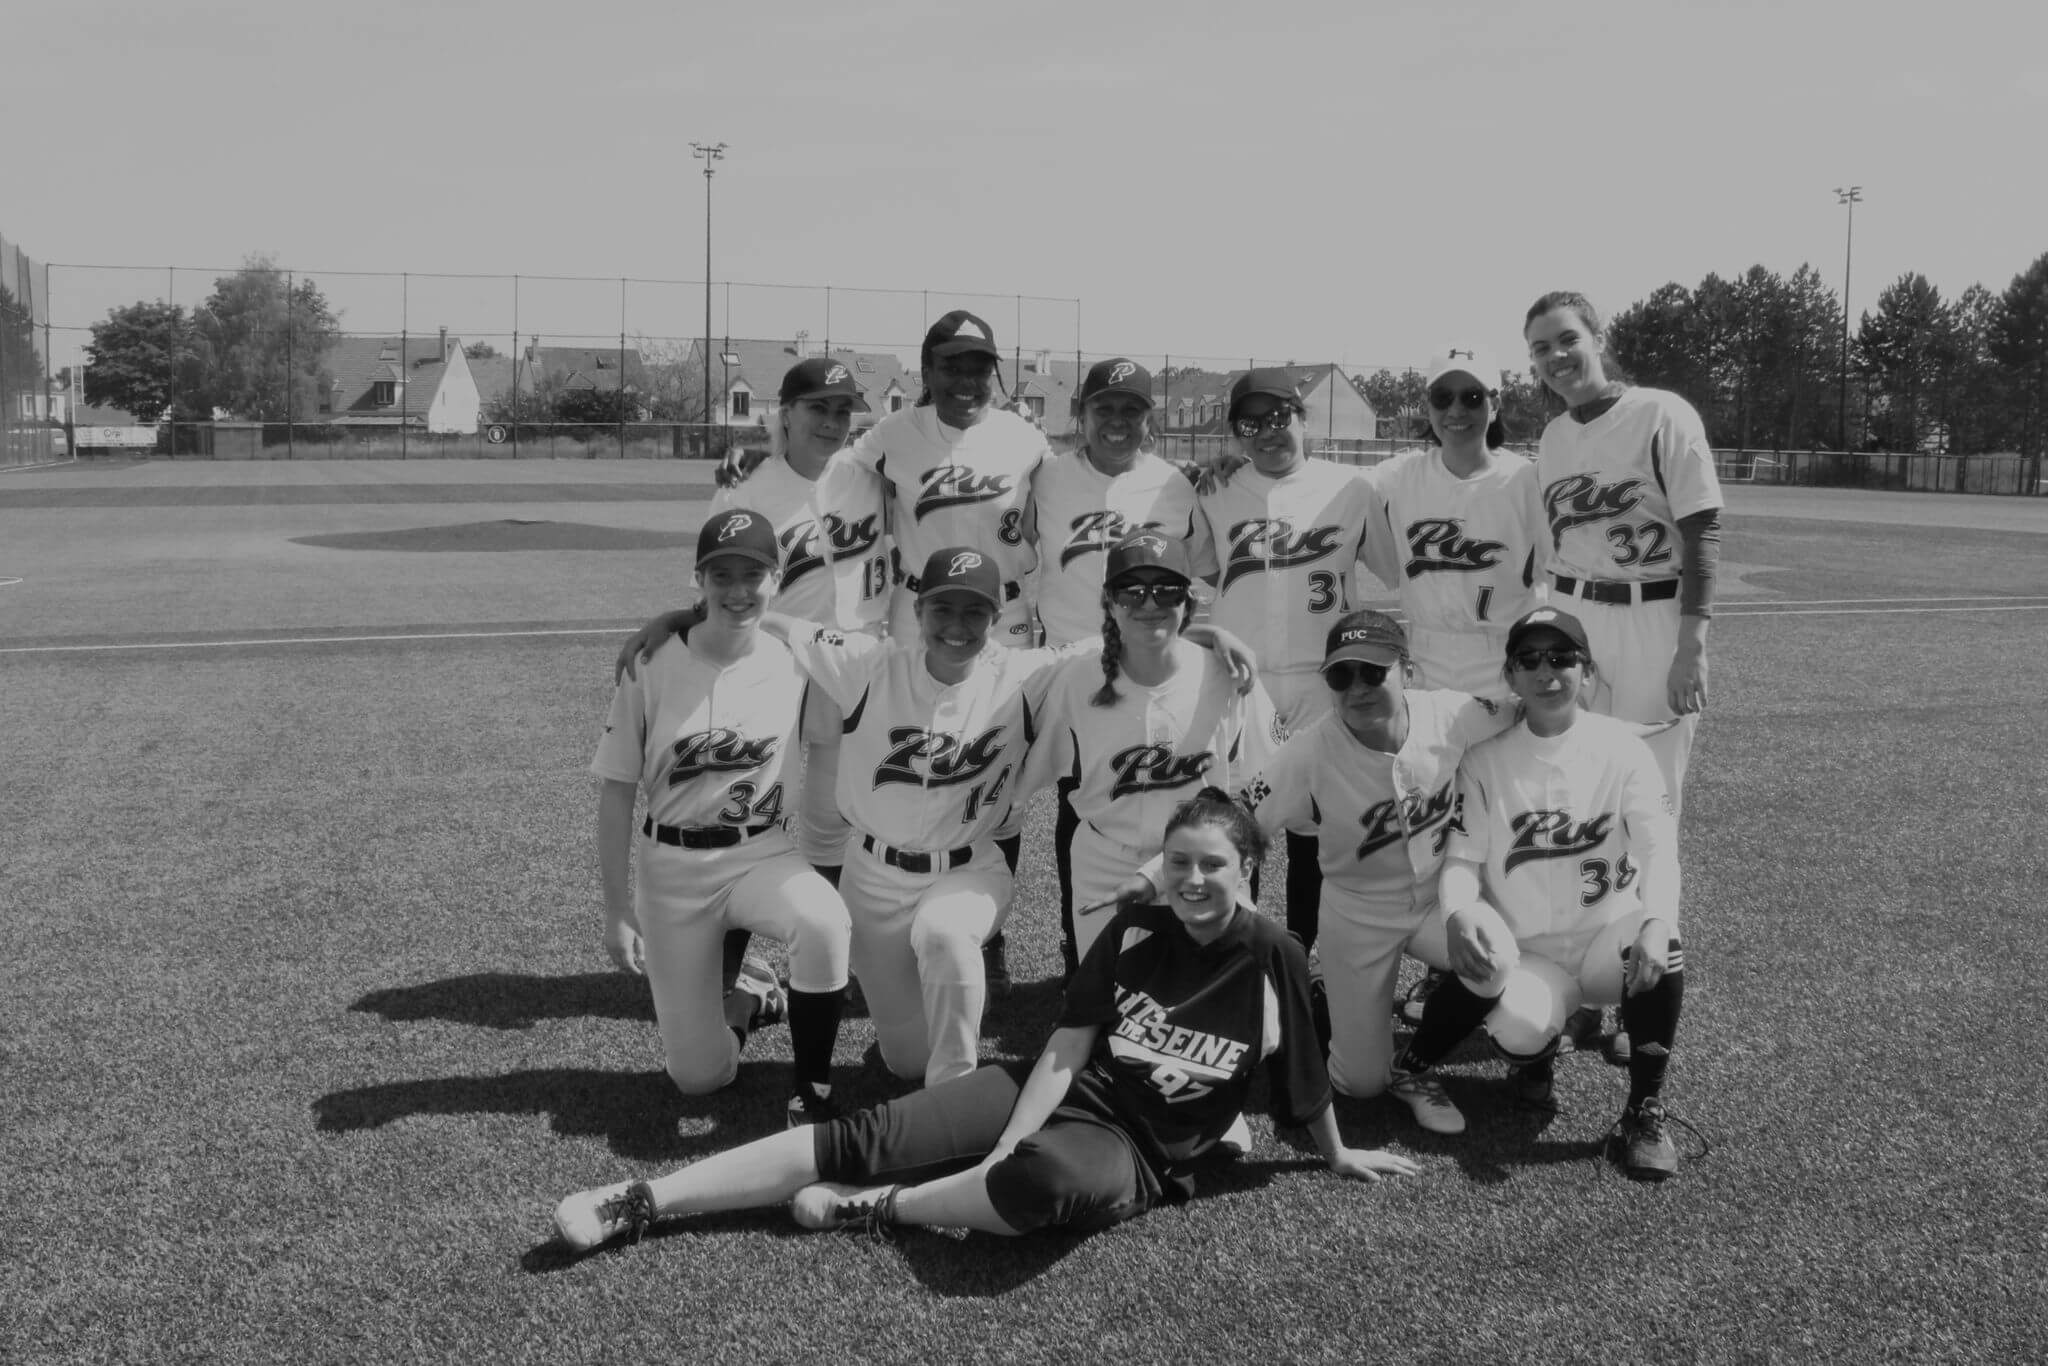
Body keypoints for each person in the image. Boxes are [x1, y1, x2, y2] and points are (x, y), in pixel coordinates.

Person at [552, 788, 1418, 1254]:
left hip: (1142, 1150)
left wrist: (1337, 1153)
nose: (1194, 880)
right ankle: (644, 1201)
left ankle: (882, 1209)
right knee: (867, 1132)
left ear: (1251, 868)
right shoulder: (1135, 927)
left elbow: (1302, 1073)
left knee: (1039, 1186)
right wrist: (1009, 1132)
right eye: (1179, 862)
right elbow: (1068, 1045)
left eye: (1214, 865)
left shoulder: (1274, 949)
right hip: (1071, 1090)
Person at [749, 546, 1253, 1090]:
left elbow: (1140, 631)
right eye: (944, 609)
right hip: (870, 876)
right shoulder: (868, 665)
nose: (958, 626)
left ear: (996, 619)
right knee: (904, 1063)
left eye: (975, 612)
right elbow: (775, 624)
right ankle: (922, 1046)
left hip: (969, 870)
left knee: (944, 934)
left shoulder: (1022, 675)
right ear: (918, 611)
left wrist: (1210, 635)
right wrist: (688, 619)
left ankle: (953, 1093)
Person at [1114, 611, 1512, 1118]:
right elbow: (1234, 818)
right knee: (1359, 1085)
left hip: (1439, 899)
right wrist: (1152, 875)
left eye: (1373, 672)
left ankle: (1414, 1065)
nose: (1357, 688)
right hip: (1357, 911)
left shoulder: (1455, 714)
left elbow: (1533, 714)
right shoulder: (1309, 750)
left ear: (1406, 670)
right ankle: (1325, 995)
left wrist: (1632, 745)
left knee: (1496, 961)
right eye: (1341, 676)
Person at [1389, 607, 1689, 1180]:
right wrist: (1456, 913)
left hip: (1606, 948)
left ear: (1587, 669)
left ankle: (1643, 1112)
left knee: (1664, 937)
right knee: (1519, 1029)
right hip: (1532, 954)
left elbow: (1658, 852)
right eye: (1529, 660)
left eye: (1561, 658)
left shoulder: (1623, 749)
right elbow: (1461, 860)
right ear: (1510, 675)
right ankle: (1536, 1057)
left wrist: (1657, 921)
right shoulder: (1486, 759)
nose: (1546, 671)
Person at [590, 509, 852, 1124]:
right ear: (698, 580)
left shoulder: (796, 662)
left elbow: (837, 743)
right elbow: (617, 789)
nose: (737, 590)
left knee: (825, 921)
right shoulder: (650, 665)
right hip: (673, 868)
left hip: (760, 852)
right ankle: (751, 999)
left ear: (776, 576)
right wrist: (615, 907)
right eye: (721, 575)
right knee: (697, 1079)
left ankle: (813, 1091)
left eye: (753, 574)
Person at [1019, 529, 1279, 972]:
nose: (1149, 603)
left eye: (1167, 590)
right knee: (1109, 1003)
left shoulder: (1228, 674)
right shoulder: (1073, 676)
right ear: (1109, 601)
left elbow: (1264, 786)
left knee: (1228, 1006)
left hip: (1208, 861)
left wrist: (1211, 635)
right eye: (1131, 591)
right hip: (1106, 859)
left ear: (1187, 601)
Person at [1024, 358, 1211, 965]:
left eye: (1132, 409)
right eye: (1104, 408)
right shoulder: (1045, 479)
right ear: (1081, 415)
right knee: (1078, 801)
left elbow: (1201, 572)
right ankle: (1078, 941)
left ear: (1149, 420)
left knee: (1168, 791)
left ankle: (1188, 930)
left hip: (1151, 658)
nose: (1117, 421)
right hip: (1075, 666)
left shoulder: (1174, 484)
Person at [1190, 369, 1378, 954]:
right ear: (1236, 434)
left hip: (1325, 683)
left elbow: (1400, 573)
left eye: (1279, 417)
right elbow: (1195, 569)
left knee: (1315, 833)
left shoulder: (1354, 487)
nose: (1269, 432)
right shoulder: (1216, 490)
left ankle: (1303, 957)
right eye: (1251, 423)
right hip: (1242, 684)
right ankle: (1230, 952)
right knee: (1234, 823)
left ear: (1303, 418)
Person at [1523, 292, 1723, 816]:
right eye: (1541, 348)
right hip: (1573, 619)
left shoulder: (1661, 414)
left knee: (1650, 793)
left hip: (1650, 619)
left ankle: (1652, 902)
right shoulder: (1553, 437)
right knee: (1579, 787)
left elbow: (1703, 534)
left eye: (1569, 339)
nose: (1556, 356)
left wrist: (1692, 647)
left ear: (1599, 339)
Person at [1362, 344, 1548, 699]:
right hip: (1423, 656)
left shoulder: (1527, 481)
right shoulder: (1397, 478)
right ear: (1428, 404)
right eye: (1443, 397)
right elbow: (1318, 489)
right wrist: (1239, 471)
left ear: (1495, 405)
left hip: (1505, 657)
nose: (1456, 410)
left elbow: (1555, 579)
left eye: (1473, 396)